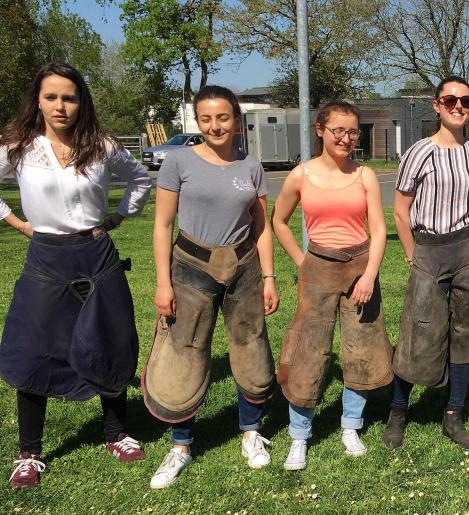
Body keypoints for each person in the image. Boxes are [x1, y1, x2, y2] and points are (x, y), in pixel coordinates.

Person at [0, 63, 152, 489]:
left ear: (81, 101)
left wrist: (121, 216)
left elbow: (140, 179)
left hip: (95, 253)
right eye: (51, 97)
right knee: (33, 349)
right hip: (45, 257)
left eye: (69, 97)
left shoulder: (100, 145)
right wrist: (17, 222)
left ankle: (116, 433)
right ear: (38, 101)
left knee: (110, 341)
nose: (60, 106)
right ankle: (29, 452)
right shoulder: (19, 147)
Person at [143, 85, 279, 489]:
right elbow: (163, 225)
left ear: (236, 120)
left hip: (243, 266)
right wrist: (163, 282)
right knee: (185, 351)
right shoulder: (178, 162)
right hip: (190, 267)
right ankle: (180, 446)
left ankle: (251, 433)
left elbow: (262, 227)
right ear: (197, 121)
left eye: (223, 117)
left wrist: (269, 277)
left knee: (250, 347)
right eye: (206, 118)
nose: (215, 125)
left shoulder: (251, 167)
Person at [271, 101, 393, 470]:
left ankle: (350, 426)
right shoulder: (301, 175)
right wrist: (302, 262)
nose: (345, 137)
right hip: (318, 268)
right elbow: (278, 221)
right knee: (310, 350)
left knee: (361, 348)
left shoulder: (365, 175)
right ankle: (299, 435)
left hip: (359, 267)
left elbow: (379, 230)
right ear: (320, 130)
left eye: (352, 131)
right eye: (338, 130)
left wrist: (369, 274)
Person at [385, 76, 469, 451]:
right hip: (429, 252)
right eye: (449, 100)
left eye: (465, 101)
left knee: (466, 335)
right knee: (417, 332)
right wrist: (410, 252)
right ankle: (398, 411)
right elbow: (401, 211)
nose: (458, 106)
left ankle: (454, 414)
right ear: (436, 105)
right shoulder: (419, 152)